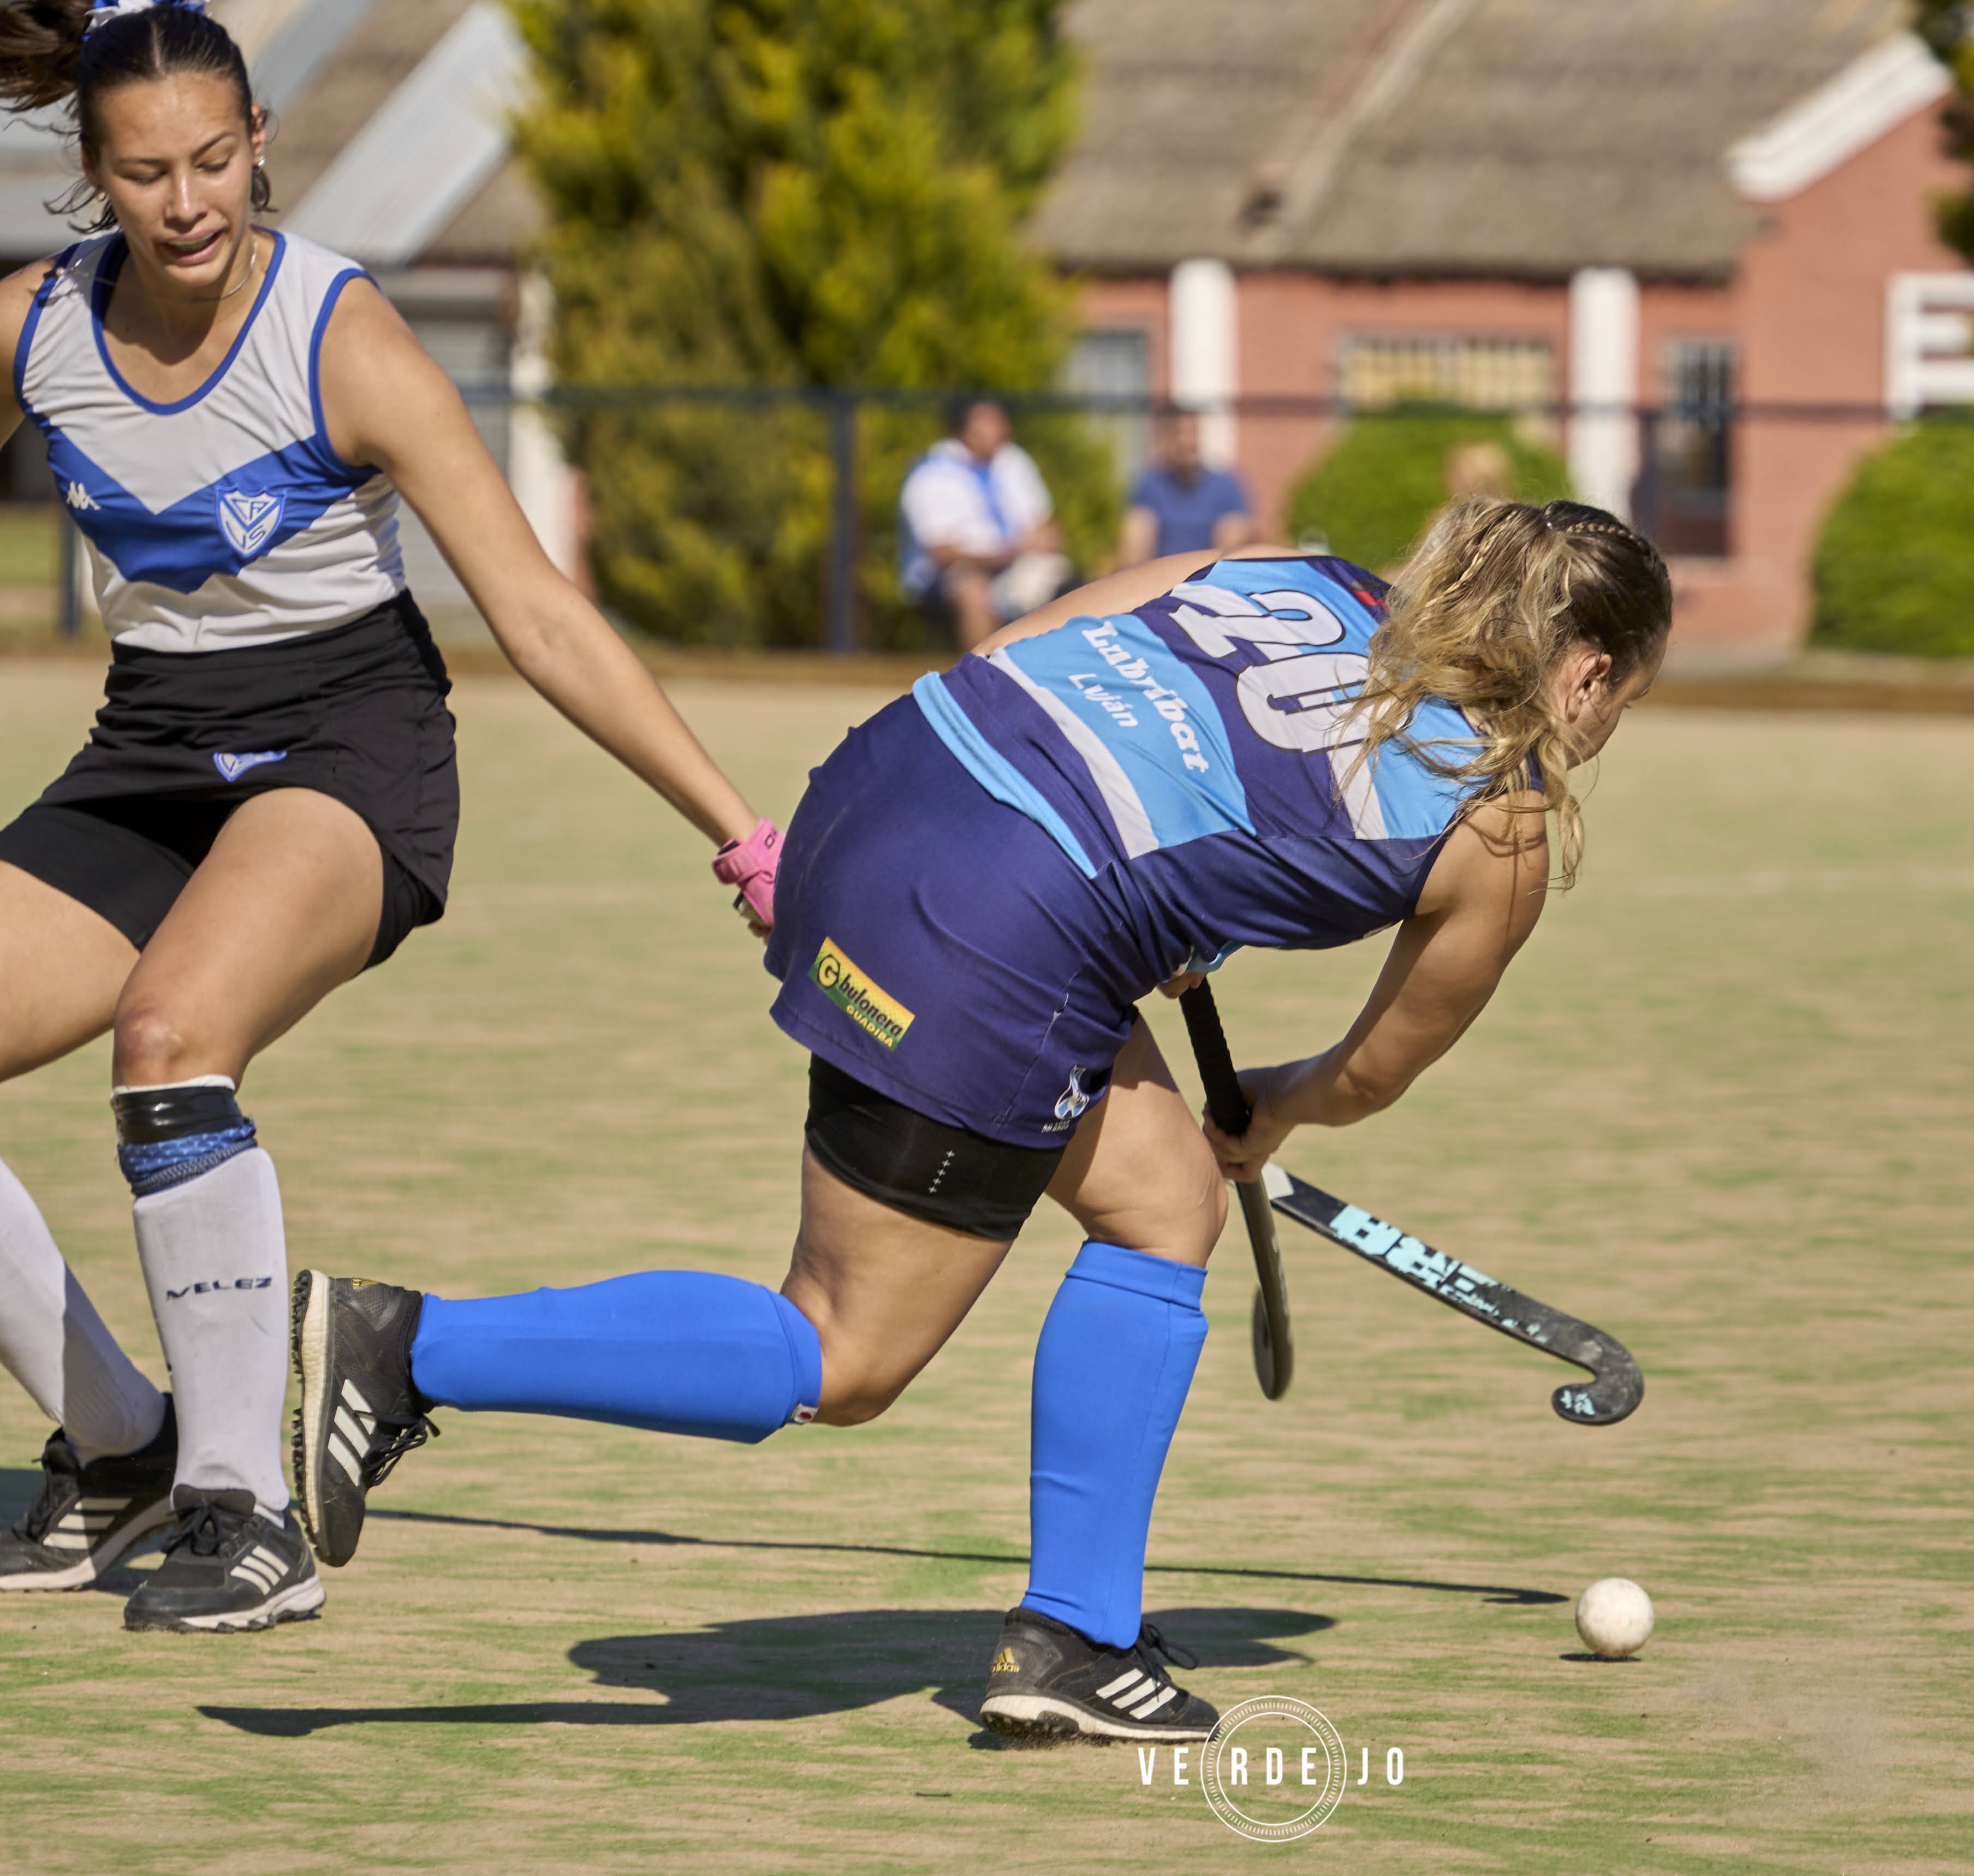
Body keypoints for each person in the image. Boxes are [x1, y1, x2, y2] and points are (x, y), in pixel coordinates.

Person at [294, 496, 1672, 1741]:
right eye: (1623, 695)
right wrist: (1272, 1104)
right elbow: (1368, 1072)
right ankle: (410, 1346)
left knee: (1164, 1200)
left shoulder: (1289, 570)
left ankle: (1076, 1631)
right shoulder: (1498, 830)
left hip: (884, 785)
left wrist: (1152, 881)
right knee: (844, 1349)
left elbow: (1024, 652)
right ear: (1584, 672)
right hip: (997, 926)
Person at [0, 0, 781, 1634]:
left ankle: (246, 1506)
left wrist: (738, 827)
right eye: (146, 173)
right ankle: (127, 1439)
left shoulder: (337, 335)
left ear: (259, 143)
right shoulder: (34, 327)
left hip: (350, 745)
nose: (189, 203)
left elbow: (538, 613)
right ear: (94, 176)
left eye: (215, 160)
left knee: (169, 1038)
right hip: (150, 750)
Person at [898, 396, 1073, 650]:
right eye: (989, 423)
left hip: (1013, 563)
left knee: (1067, 581)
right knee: (973, 588)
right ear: (963, 429)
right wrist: (1006, 553)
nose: (1001, 429)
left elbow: (1045, 524)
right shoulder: (931, 471)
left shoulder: (1012, 459)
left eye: (1001, 421)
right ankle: (982, 669)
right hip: (949, 575)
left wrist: (1043, 540)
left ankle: (1050, 668)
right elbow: (942, 553)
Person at [1114, 406, 1256, 563]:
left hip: (1210, 572)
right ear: (1166, 440)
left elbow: (1248, 534)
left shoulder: (1226, 486)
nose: (1187, 441)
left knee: (1234, 527)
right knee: (1136, 523)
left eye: (1192, 432)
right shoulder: (1150, 486)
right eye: (1179, 433)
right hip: (1161, 571)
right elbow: (1133, 535)